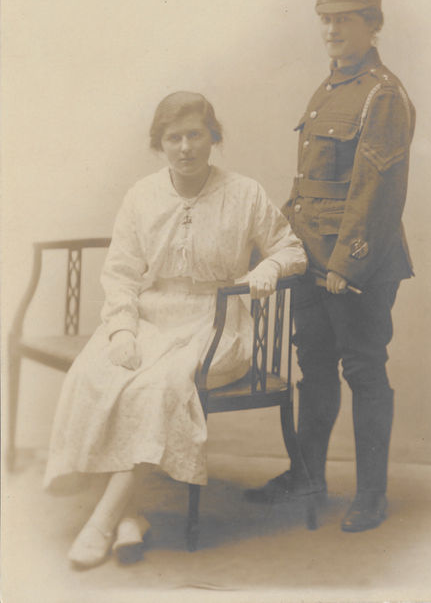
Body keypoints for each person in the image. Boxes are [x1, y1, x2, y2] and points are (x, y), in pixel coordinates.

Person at [44, 91, 308, 567]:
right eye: (173, 138)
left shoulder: (244, 193)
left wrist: (269, 268)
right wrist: (123, 330)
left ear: (212, 137)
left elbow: (291, 249)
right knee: (94, 374)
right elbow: (121, 273)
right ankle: (130, 518)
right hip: (152, 315)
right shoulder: (141, 195)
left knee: (159, 387)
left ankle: (102, 520)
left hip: (218, 323)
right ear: (159, 143)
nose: (185, 147)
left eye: (195, 135)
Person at [244, 0, 415, 532]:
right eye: (325, 19)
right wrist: (279, 245)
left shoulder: (382, 95)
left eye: (344, 19)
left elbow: (376, 192)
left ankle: (371, 496)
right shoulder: (332, 87)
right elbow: (310, 186)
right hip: (312, 254)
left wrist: (347, 264)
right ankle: (308, 476)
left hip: (357, 259)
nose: (332, 30)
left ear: (372, 23)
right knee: (313, 367)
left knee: (363, 370)